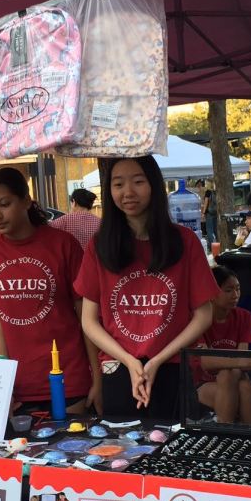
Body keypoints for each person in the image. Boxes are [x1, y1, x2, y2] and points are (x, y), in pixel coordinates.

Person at [76, 156, 218, 420]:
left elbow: (204, 314)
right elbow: (89, 321)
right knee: (122, 454)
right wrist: (130, 361)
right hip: (118, 368)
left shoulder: (184, 242)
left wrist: (156, 360)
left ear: (153, 184)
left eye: (138, 182)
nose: (128, 192)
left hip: (173, 365)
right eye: (118, 184)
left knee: (173, 452)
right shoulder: (99, 245)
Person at [0, 167, 99, 414]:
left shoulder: (62, 244)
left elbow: (85, 316)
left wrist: (97, 377)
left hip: (68, 378)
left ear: (26, 200)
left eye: (4, 204)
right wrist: (3, 382)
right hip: (16, 385)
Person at [195, 266, 251, 424]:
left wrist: (241, 363)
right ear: (212, 292)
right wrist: (245, 362)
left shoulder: (244, 317)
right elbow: (207, 363)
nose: (236, 295)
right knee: (234, 380)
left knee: (237, 382)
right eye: (229, 290)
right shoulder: (199, 318)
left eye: (238, 289)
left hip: (236, 378)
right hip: (203, 382)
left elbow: (242, 359)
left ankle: (227, 436)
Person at [201, 181, 218, 245]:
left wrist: (203, 212)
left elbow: (206, 203)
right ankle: (217, 244)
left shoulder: (208, 192)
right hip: (215, 212)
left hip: (209, 213)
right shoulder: (215, 192)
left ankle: (212, 245)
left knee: (209, 230)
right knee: (215, 230)